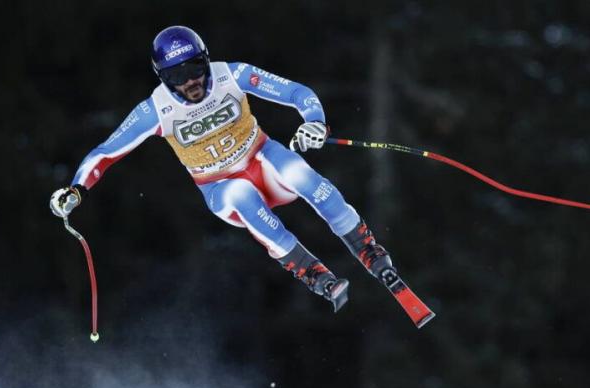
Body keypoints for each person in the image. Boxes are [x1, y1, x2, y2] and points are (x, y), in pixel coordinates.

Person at [50, 25, 396, 312]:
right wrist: (77, 189)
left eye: (196, 68)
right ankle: (314, 274)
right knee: (242, 194)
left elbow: (297, 93)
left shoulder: (233, 74)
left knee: (297, 171)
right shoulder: (155, 110)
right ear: (162, 77)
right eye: (177, 75)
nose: (191, 82)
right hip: (220, 187)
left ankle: (366, 247)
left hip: (262, 160)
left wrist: (315, 123)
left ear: (207, 60)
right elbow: (106, 153)